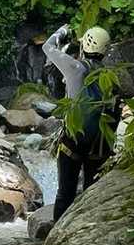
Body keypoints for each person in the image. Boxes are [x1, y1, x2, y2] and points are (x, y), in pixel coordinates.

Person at [42, 22, 118, 221]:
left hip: (72, 142)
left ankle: (56, 234)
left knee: (65, 194)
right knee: (91, 195)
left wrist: (62, 31)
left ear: (86, 45)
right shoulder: (110, 76)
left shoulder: (74, 67)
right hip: (98, 145)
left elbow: (47, 47)